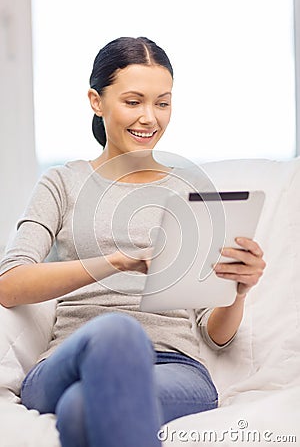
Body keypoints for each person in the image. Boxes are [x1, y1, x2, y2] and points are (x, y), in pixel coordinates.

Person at [0, 37, 265, 447]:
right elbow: (10, 284)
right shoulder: (63, 183)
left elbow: (215, 335)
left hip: (172, 367)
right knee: (116, 333)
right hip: (70, 358)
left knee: (80, 410)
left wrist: (237, 292)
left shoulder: (190, 189)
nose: (150, 118)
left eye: (162, 103)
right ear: (96, 101)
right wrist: (116, 261)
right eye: (133, 101)